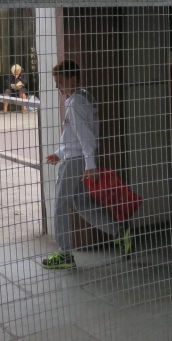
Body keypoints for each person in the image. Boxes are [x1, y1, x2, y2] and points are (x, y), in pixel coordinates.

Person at [42, 59, 129, 270]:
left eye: (60, 81)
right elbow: (77, 135)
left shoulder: (73, 103)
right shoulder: (85, 97)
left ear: (72, 79)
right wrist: (60, 152)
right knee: (81, 202)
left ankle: (64, 255)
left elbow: (84, 137)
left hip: (75, 161)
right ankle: (119, 231)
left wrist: (90, 164)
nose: (58, 87)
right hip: (77, 158)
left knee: (60, 205)